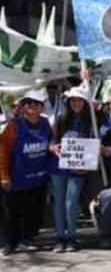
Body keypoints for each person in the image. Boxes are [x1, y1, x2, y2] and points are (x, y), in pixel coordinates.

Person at [0, 90, 52, 256]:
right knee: (12, 213)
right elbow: (2, 152)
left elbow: (51, 142)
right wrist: (4, 176)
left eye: (36, 103)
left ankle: (29, 238)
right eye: (28, 103)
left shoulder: (45, 123)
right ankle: (10, 243)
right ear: (22, 106)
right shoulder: (13, 125)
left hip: (38, 178)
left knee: (33, 211)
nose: (32, 106)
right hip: (16, 179)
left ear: (42, 107)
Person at [48, 87, 93, 253]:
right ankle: (60, 237)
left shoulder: (91, 122)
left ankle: (72, 237)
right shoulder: (59, 120)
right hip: (57, 166)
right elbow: (51, 142)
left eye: (79, 100)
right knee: (59, 202)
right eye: (72, 100)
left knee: (71, 203)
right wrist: (52, 148)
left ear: (85, 102)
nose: (76, 103)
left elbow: (93, 146)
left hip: (78, 169)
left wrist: (87, 166)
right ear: (68, 102)